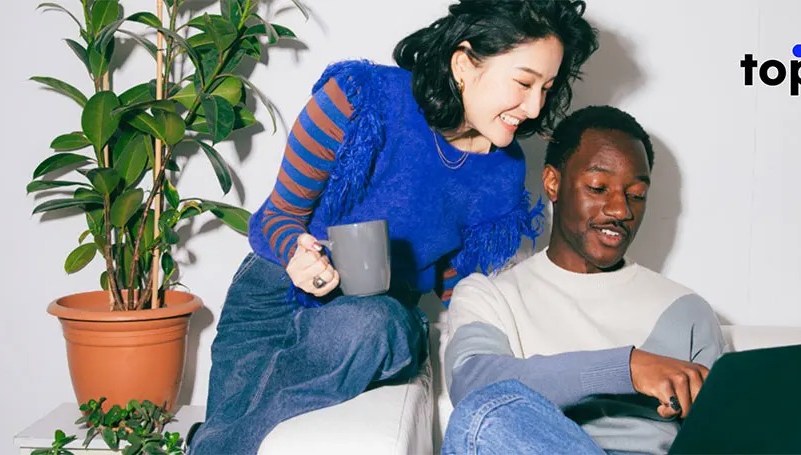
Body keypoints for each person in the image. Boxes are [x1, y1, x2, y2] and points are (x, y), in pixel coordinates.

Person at [188, 1, 599, 453]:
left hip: (374, 322)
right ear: (463, 63)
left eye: (547, 87)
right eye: (523, 83)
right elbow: (275, 219)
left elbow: (457, 284)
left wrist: (514, 339)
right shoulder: (361, 99)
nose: (536, 105)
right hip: (273, 299)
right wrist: (296, 253)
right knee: (237, 415)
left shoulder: (503, 172)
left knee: (374, 324)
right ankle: (214, 440)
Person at [442, 105, 726, 455]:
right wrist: (627, 368)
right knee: (485, 419)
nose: (621, 210)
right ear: (553, 183)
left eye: (636, 194)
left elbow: (723, 436)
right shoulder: (490, 296)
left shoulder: (685, 312)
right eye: (598, 187)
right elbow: (474, 385)